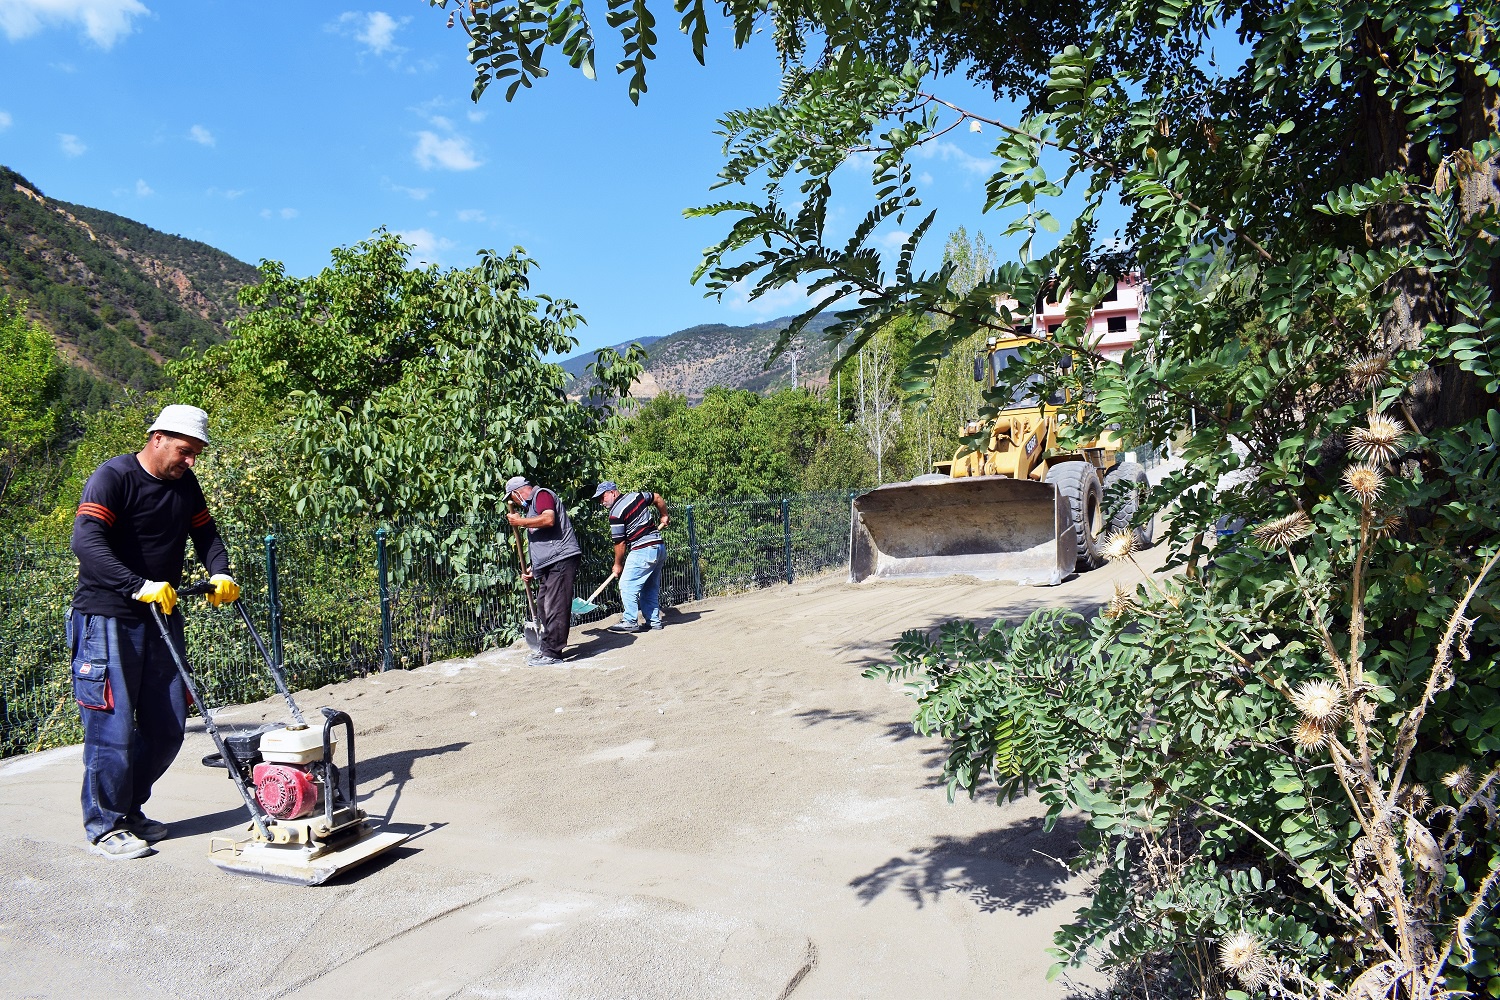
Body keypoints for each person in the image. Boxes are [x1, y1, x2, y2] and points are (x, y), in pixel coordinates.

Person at [68, 404, 240, 860]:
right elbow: (85, 542)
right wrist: (137, 585)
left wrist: (220, 572)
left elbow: (206, 535)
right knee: (113, 729)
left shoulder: (186, 485)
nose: (190, 462)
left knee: (167, 726)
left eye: (196, 454)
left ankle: (128, 809)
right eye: (185, 451)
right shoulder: (114, 477)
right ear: (158, 438)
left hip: (161, 615)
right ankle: (104, 826)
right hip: (107, 618)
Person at [505, 476, 583, 665]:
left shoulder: (542, 495)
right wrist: (534, 567)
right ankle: (546, 648)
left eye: (512, 497)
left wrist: (521, 522)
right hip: (549, 562)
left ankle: (552, 654)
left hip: (561, 559)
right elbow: (544, 542)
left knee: (554, 606)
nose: (514, 502)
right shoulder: (531, 508)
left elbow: (549, 519)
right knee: (544, 605)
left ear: (518, 492)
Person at [592, 482, 670, 633]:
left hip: (643, 549)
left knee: (627, 585)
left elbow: (620, 543)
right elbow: (658, 498)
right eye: (600, 500)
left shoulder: (615, 513)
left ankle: (630, 621)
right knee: (649, 587)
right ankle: (653, 621)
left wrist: (617, 565)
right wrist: (664, 515)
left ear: (612, 492)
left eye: (603, 497)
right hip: (659, 548)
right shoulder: (637, 496)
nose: (602, 502)